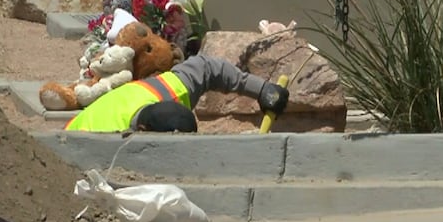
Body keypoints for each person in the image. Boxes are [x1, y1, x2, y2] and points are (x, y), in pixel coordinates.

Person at [64, 53, 290, 133]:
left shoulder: (169, 88)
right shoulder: (110, 139)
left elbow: (207, 67)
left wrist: (261, 89)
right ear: (144, 130)